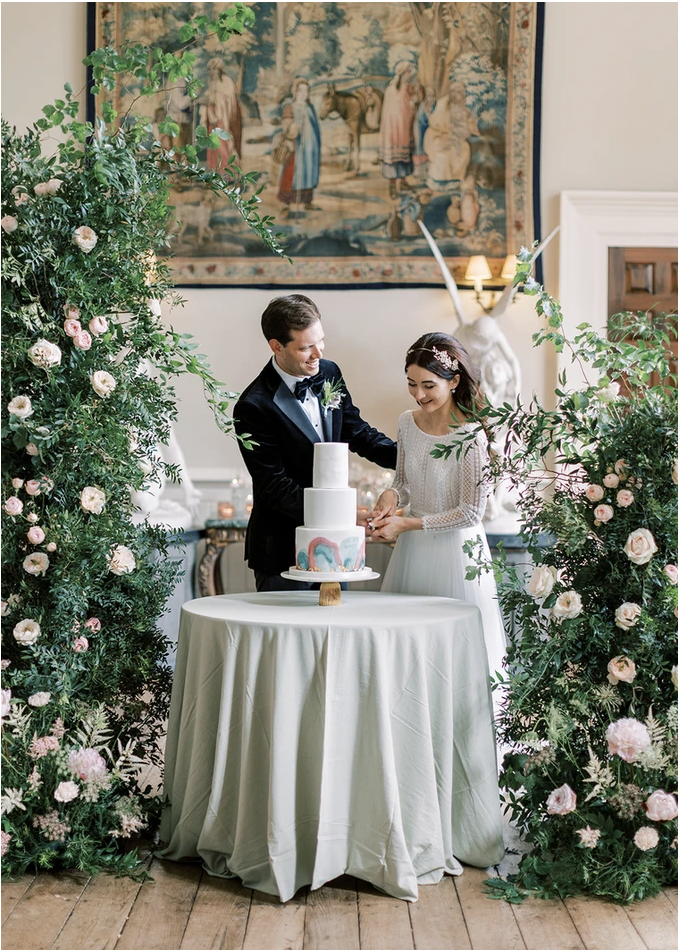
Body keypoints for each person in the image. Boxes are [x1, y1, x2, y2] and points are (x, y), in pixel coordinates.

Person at [233, 295, 397, 592]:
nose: (317, 353)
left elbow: (356, 431)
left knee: (334, 631)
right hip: (282, 550)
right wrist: (340, 513)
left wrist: (410, 458)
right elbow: (275, 486)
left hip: (335, 549)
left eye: (320, 341)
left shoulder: (329, 372)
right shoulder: (253, 406)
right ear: (276, 346)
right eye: (306, 347)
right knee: (287, 637)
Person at [369, 332, 506, 682]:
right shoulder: (406, 422)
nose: (419, 394)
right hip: (413, 552)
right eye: (412, 384)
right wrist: (391, 496)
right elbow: (403, 482)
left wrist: (406, 525)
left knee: (455, 659)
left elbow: (470, 513)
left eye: (428, 385)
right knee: (407, 652)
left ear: (454, 380)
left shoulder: (471, 435)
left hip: (458, 555)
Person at [277, 78, 322, 217]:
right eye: (301, 90)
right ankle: (286, 204)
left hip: (310, 148)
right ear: (295, 92)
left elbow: (315, 127)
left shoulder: (310, 108)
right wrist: (292, 127)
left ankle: (307, 201)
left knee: (309, 172)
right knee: (292, 173)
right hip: (296, 147)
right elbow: (286, 126)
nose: (304, 93)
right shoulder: (290, 107)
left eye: (306, 91)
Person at [380, 61, 417, 198]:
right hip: (393, 131)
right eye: (408, 73)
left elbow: (409, 107)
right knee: (393, 159)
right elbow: (390, 112)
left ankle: (403, 182)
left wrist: (413, 103)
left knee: (404, 157)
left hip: (404, 129)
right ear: (402, 73)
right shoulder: (391, 90)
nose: (410, 75)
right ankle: (392, 186)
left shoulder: (408, 88)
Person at [201, 57, 242, 167]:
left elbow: (230, 100)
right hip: (212, 119)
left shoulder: (227, 82)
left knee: (223, 146)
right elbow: (208, 97)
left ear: (220, 71)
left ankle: (228, 171)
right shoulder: (211, 83)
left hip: (223, 118)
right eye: (211, 70)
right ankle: (215, 172)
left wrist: (217, 98)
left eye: (215, 70)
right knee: (213, 146)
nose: (213, 73)